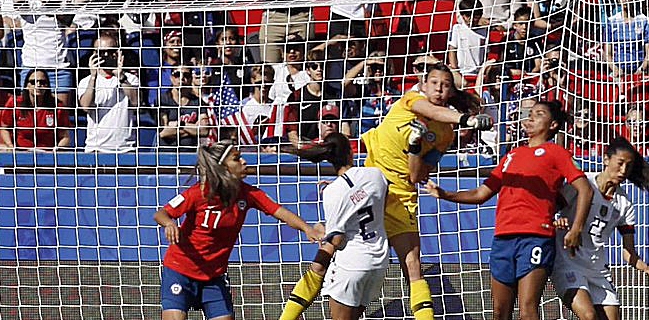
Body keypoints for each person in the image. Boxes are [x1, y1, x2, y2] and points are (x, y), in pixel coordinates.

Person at [425, 100, 594, 320]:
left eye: (539, 114)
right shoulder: (511, 156)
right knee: (498, 312)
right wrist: (446, 194)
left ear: (552, 125)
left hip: (535, 237)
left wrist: (576, 229)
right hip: (503, 239)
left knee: (527, 309)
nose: (531, 117)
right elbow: (481, 194)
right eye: (530, 113)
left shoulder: (556, 152)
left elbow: (585, 190)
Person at [361, 63, 493, 319]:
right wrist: (468, 120)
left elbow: (417, 175)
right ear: (424, 84)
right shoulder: (411, 100)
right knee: (338, 251)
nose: (439, 89)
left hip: (401, 193)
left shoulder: (445, 134)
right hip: (371, 182)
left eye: (445, 85)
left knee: (413, 265)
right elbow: (431, 110)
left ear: (451, 93)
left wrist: (414, 146)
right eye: (435, 83)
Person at [154, 140, 321, 320]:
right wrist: (169, 223)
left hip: (214, 276)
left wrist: (306, 228)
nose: (244, 161)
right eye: (237, 158)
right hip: (180, 270)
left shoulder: (248, 194)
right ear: (223, 168)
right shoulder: (198, 193)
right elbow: (161, 213)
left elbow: (279, 211)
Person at [280, 132, 389, 320]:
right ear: (351, 153)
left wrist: (321, 228)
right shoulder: (376, 175)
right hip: (378, 263)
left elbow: (337, 240)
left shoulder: (333, 192)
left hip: (352, 264)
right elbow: (378, 202)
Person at [551, 136, 649, 320]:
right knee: (589, 316)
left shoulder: (624, 204)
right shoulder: (582, 185)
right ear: (606, 159)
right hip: (568, 263)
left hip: (597, 270)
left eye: (628, 166)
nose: (623, 170)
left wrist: (645, 268)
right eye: (620, 163)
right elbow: (548, 211)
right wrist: (557, 222)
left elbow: (628, 253)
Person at [78, 32, 139, 153]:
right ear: (94, 55)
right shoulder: (86, 81)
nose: (106, 55)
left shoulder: (130, 79)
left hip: (125, 148)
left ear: (118, 53)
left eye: (111, 52)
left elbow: (136, 102)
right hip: (96, 148)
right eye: (101, 52)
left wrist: (120, 75)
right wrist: (93, 76)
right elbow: (85, 106)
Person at [0, 69, 70, 150]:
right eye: (33, 82)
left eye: (43, 82)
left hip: (48, 154)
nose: (38, 85)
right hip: (21, 153)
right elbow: (5, 128)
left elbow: (65, 137)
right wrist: (11, 146)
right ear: (27, 85)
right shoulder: (15, 103)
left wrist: (57, 150)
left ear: (48, 85)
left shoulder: (57, 106)